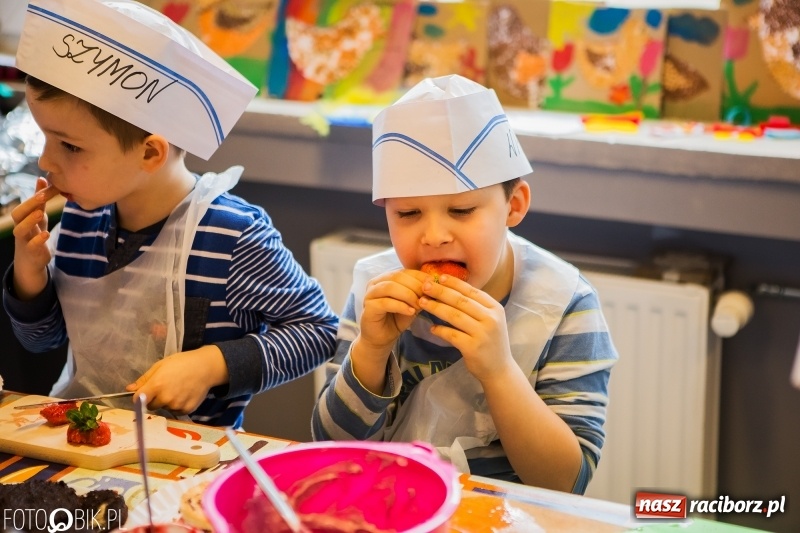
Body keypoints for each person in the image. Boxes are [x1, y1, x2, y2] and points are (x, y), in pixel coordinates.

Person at [3, 0, 338, 428]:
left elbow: (319, 332)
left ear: (149, 152)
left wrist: (211, 364)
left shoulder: (233, 235)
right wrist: (29, 278)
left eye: (69, 146)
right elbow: (41, 341)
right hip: (85, 438)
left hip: (190, 463)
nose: (47, 162)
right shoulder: (79, 223)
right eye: (43, 137)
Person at [312, 74, 618, 493]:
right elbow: (331, 449)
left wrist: (499, 371)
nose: (434, 235)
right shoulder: (376, 293)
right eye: (407, 214)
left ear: (514, 206)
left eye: (460, 210)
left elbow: (567, 481)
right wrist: (371, 350)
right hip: (392, 507)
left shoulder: (565, 304)